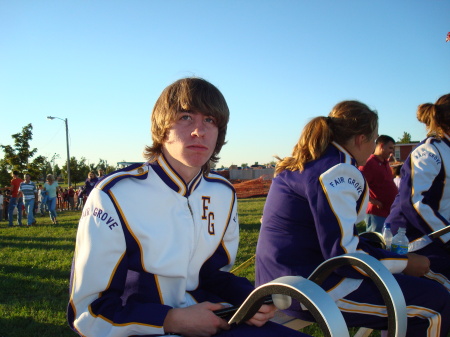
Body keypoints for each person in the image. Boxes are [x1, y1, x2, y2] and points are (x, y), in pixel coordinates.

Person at [67, 77, 308, 337]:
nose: (199, 131)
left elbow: (211, 275)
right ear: (162, 128)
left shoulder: (222, 192)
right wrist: (170, 320)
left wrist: (249, 298)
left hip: (209, 319)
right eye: (185, 117)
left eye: (210, 120)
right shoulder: (114, 194)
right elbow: (88, 313)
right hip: (140, 329)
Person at [255, 100, 450, 337]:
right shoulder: (337, 170)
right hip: (307, 288)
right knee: (435, 304)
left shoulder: (316, 162)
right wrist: (406, 262)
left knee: (424, 293)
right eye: (374, 139)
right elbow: (344, 256)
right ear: (360, 138)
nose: (373, 147)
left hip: (286, 279)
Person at [387, 93, 450, 291]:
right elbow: (414, 202)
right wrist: (448, 238)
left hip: (438, 236)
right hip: (414, 240)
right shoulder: (429, 152)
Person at [358, 135, 398, 232]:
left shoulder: (385, 163)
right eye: (390, 148)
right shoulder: (369, 163)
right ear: (381, 146)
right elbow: (358, 187)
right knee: (376, 242)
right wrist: (372, 200)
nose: (392, 151)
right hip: (377, 214)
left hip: (389, 212)